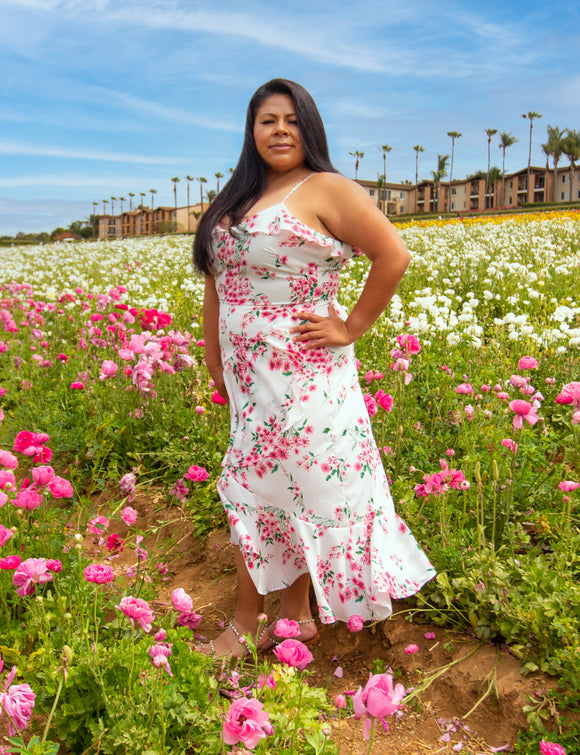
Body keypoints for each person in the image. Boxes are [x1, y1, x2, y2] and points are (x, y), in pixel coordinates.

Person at [193, 78, 435, 657]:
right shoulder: (234, 199)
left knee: (267, 489)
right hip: (253, 379)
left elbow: (393, 255)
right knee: (278, 489)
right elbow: (217, 285)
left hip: (306, 377)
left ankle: (247, 623)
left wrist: (350, 327)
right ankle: (295, 613)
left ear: (310, 128)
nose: (280, 131)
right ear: (251, 132)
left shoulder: (327, 187)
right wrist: (214, 357)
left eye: (292, 120)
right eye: (267, 121)